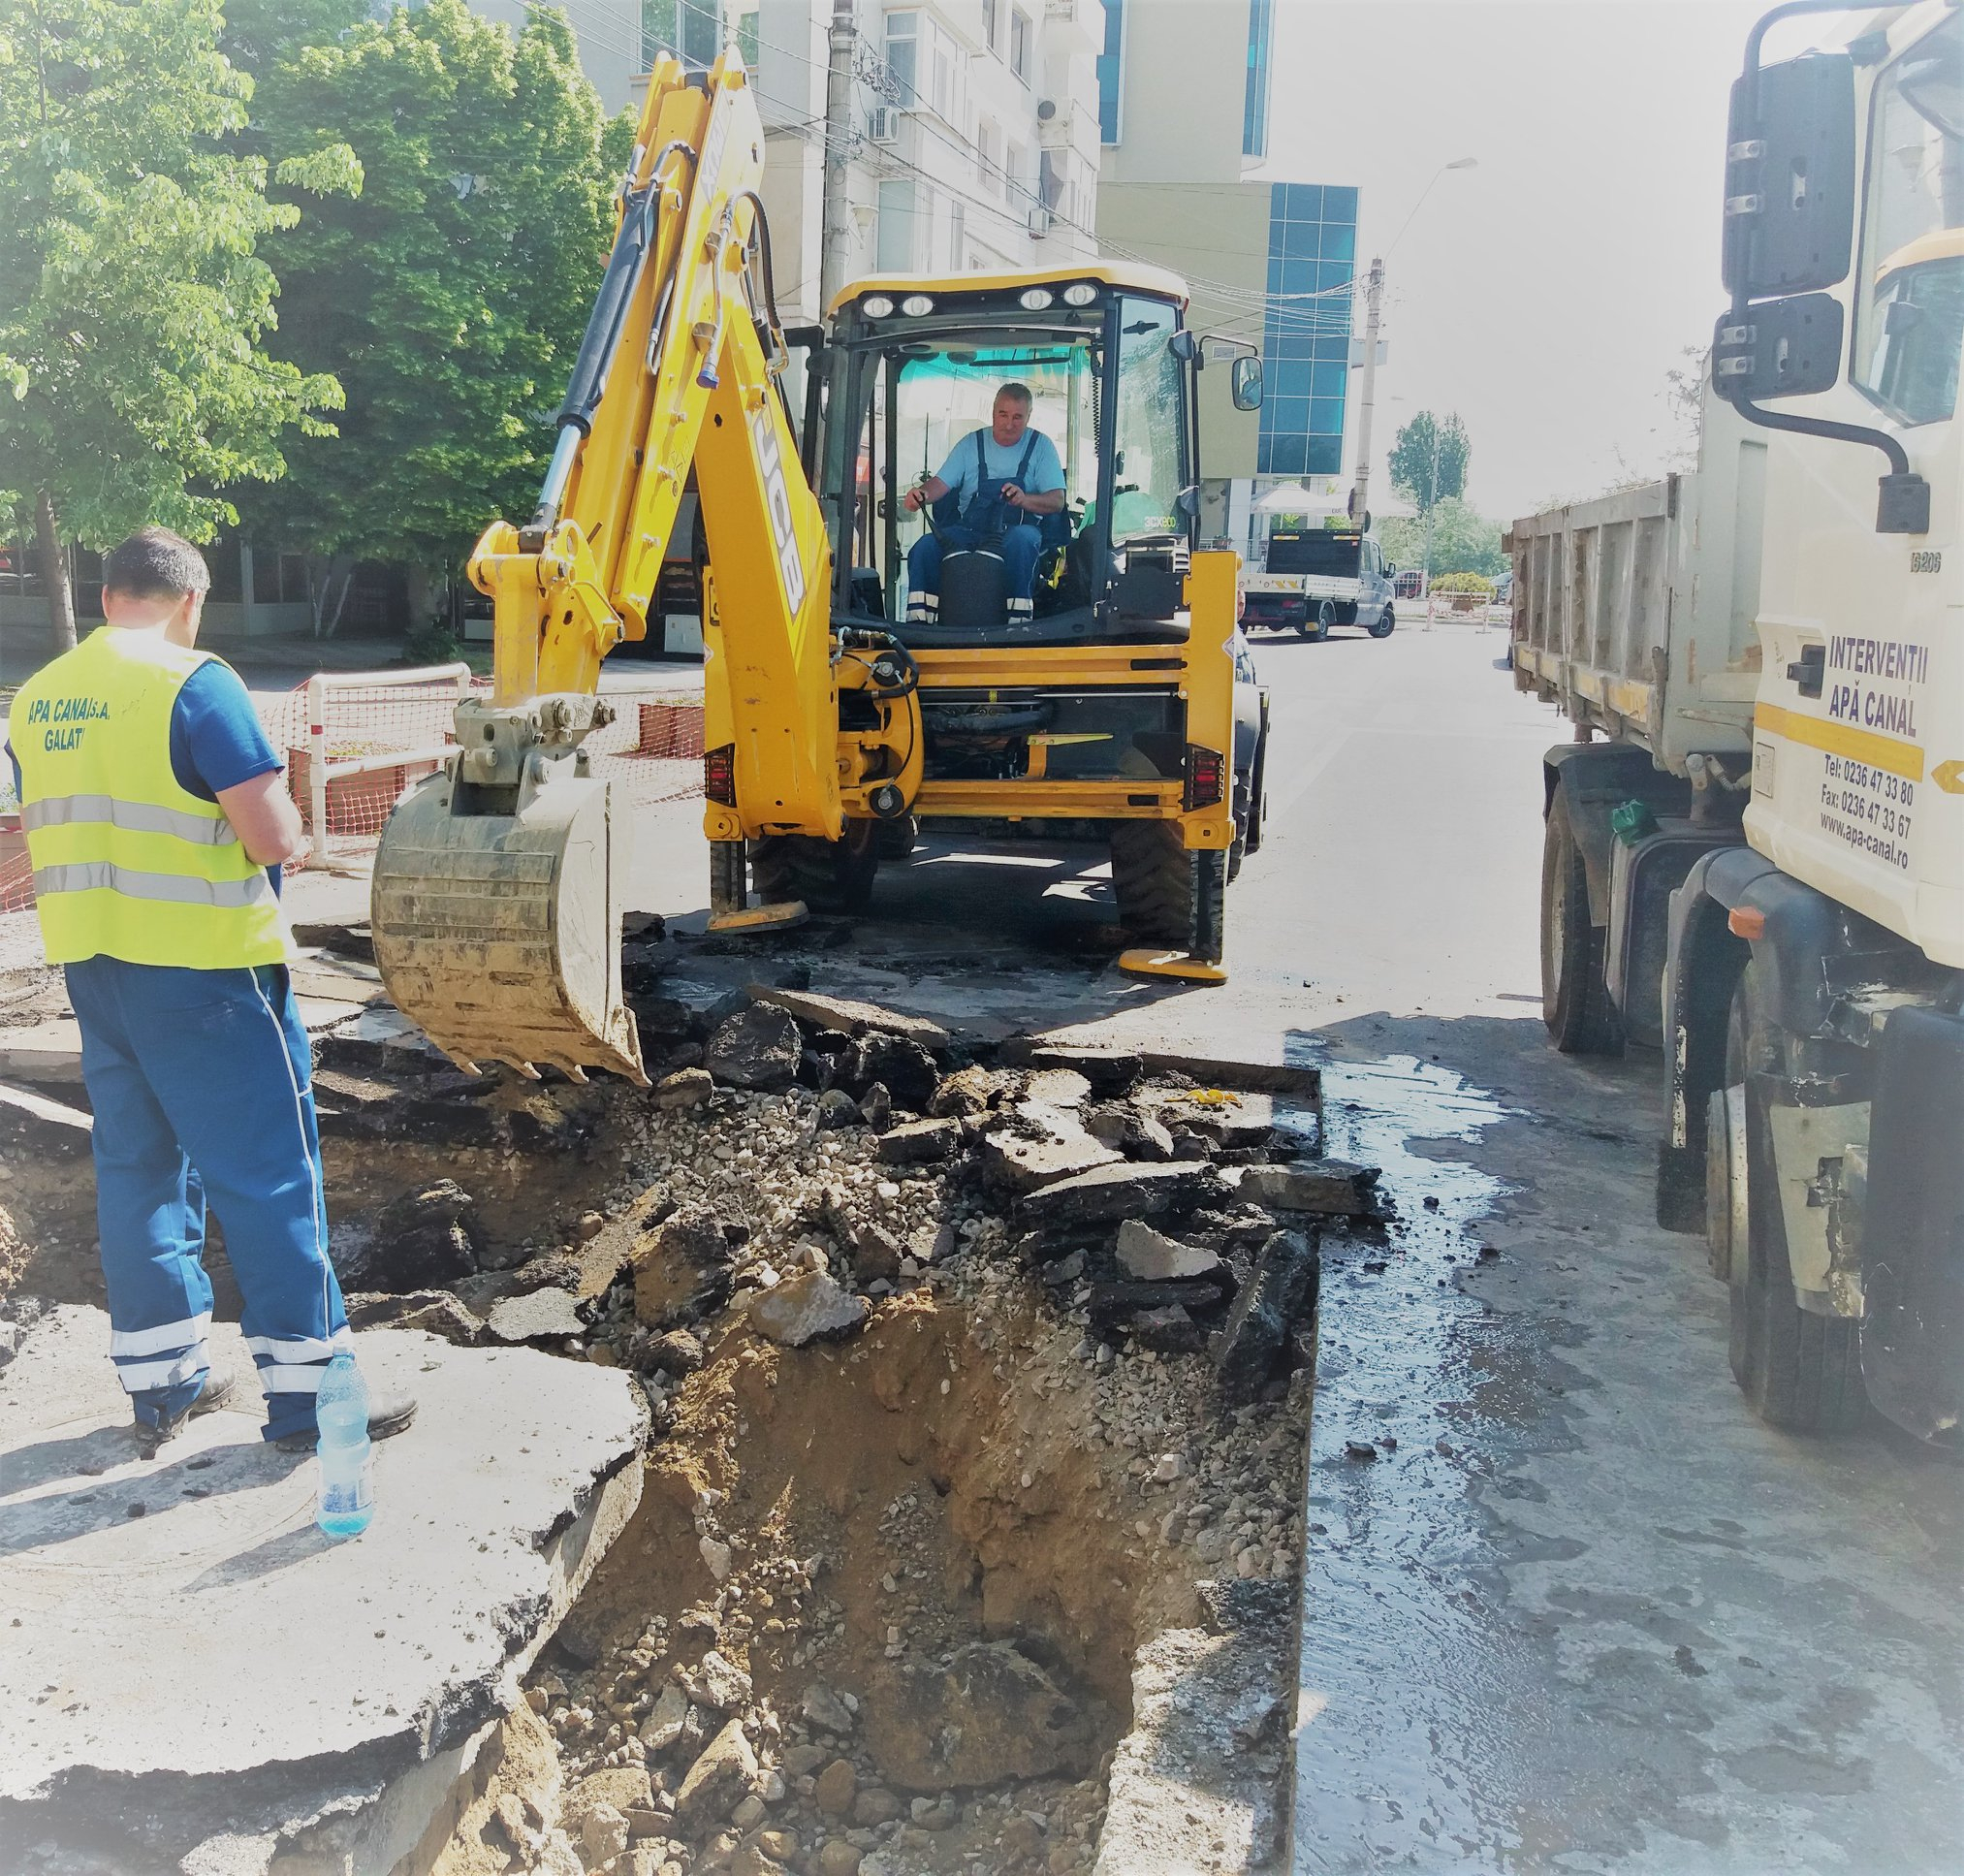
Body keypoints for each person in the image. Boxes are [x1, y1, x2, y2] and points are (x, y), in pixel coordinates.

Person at [8, 527, 413, 1454]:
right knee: (269, 1171)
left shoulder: (36, 698)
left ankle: (164, 1381)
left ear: (109, 597)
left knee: (139, 1166)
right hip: (206, 972)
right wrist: (295, 837)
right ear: (192, 602)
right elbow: (272, 838)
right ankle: (313, 1396)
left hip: (96, 970)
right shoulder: (197, 683)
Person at [903, 381, 1067, 626]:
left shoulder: (1041, 447)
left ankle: (1017, 624)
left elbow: (1057, 501)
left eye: (1017, 417)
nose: (1009, 424)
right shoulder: (970, 444)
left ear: (1029, 417)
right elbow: (940, 483)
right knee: (924, 548)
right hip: (969, 532)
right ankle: (921, 625)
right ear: (993, 412)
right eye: (1003, 415)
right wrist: (921, 495)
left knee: (1022, 542)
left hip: (1014, 532)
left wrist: (1023, 499)